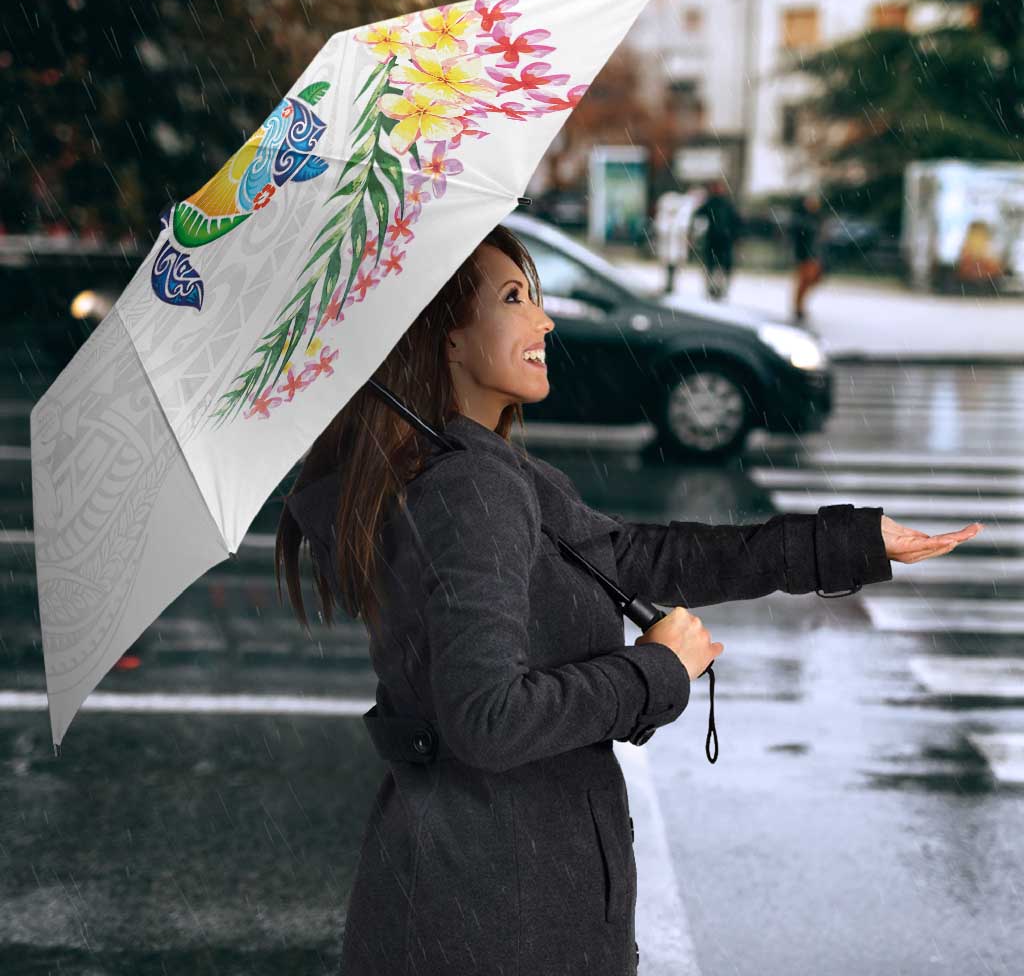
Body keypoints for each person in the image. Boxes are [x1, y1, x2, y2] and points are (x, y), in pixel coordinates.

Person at [276, 223, 981, 976]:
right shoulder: (469, 488)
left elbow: (643, 557)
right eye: (514, 298)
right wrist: (655, 671)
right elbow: (487, 719)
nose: (544, 319)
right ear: (445, 338)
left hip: (480, 895)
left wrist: (850, 542)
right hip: (496, 914)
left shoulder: (480, 472)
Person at [692, 178, 742, 301]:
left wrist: (735, 236)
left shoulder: (725, 204)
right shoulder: (712, 203)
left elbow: (736, 222)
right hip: (715, 240)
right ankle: (713, 289)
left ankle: (719, 289)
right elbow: (698, 216)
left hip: (723, 240)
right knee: (713, 266)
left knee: (720, 267)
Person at [790, 191, 826, 322]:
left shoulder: (817, 218)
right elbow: (799, 238)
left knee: (812, 280)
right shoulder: (802, 219)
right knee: (804, 281)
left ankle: (799, 306)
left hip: (814, 255)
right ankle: (798, 307)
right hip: (805, 255)